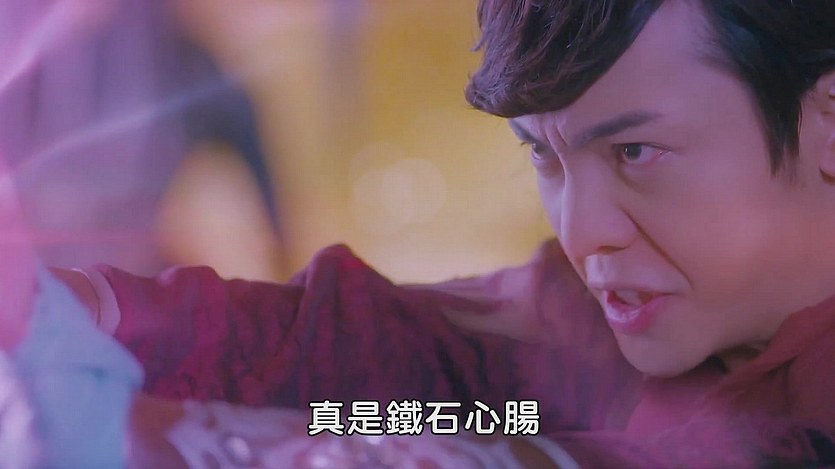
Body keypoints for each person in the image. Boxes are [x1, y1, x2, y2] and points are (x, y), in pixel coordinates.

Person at [3, 0, 835, 467]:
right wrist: (66, 310)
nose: (582, 232)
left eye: (635, 153)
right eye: (542, 157)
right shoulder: (597, 307)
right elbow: (371, 355)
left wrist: (167, 440)